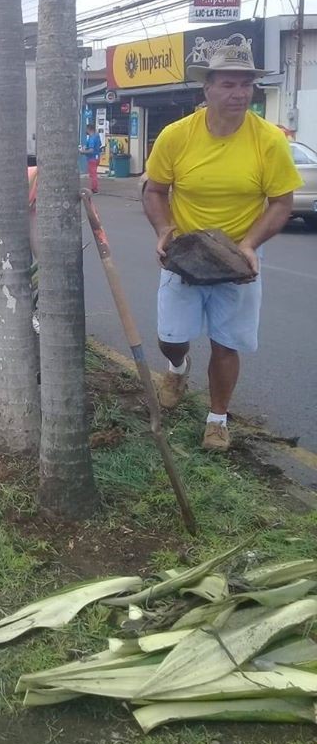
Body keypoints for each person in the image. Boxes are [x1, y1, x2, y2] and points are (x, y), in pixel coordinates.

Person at [142, 44, 302, 452]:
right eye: (228, 83)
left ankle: (216, 420)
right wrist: (164, 229)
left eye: (246, 84)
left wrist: (250, 244)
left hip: (238, 257)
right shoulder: (177, 136)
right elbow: (155, 189)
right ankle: (178, 367)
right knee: (170, 335)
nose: (239, 92)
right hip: (185, 253)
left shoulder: (268, 140)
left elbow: (281, 201)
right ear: (207, 88)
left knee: (226, 342)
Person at [80, 124, 103, 193]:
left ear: (89, 129)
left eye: (86, 129)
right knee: (93, 174)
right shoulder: (97, 137)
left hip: (92, 158)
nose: (85, 130)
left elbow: (91, 150)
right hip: (96, 157)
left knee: (93, 174)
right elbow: (99, 145)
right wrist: (85, 147)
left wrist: (83, 151)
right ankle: (94, 187)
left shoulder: (92, 138)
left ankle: (94, 189)